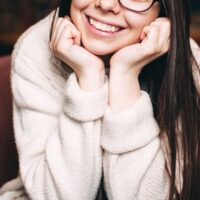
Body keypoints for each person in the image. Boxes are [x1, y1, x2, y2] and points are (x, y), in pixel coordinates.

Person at [0, 0, 199, 199]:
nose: (106, 4)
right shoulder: (37, 46)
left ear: (165, 9)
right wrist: (88, 79)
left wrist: (125, 75)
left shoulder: (187, 66)